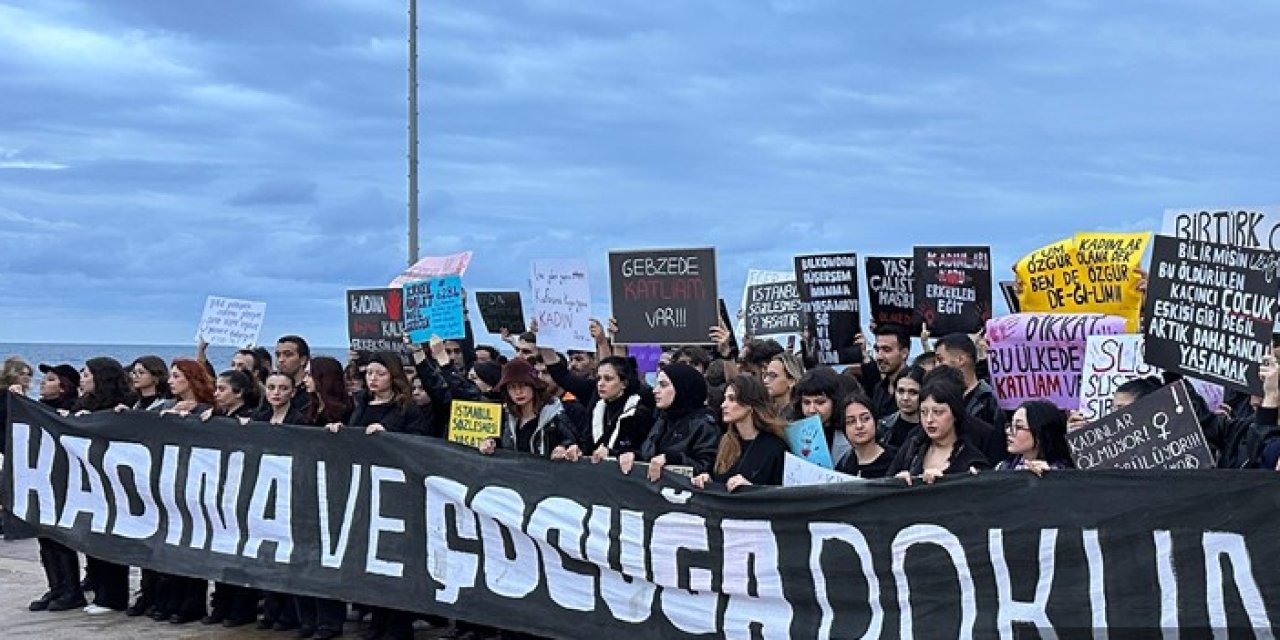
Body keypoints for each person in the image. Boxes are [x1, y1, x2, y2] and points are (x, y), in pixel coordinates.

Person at [327, 351, 430, 640]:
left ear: (393, 376)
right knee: (369, 558)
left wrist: (390, 436)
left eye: (380, 373)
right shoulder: (360, 402)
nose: (373, 379)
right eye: (369, 373)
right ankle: (377, 620)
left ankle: (398, 625)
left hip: (397, 493)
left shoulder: (407, 408)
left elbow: (421, 444)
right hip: (365, 489)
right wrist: (340, 431)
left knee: (396, 560)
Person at [71, 357, 136, 616]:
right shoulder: (84, 402)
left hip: (115, 484)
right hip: (91, 484)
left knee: (111, 539)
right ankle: (97, 585)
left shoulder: (123, 406)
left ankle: (113, 596)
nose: (82, 377)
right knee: (93, 537)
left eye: (86, 373)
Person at [16, 364, 82, 614]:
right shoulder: (41, 407)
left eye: (51, 379)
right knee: (45, 539)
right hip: (43, 479)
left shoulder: (71, 408)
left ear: (64, 385)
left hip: (65, 481)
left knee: (60, 539)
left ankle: (72, 590)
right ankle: (57, 586)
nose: (43, 383)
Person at [294, 357, 352, 640]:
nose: (304, 380)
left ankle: (330, 620)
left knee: (326, 558)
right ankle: (308, 618)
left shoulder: (344, 410)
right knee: (304, 556)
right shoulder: (306, 408)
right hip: (305, 489)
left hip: (332, 492)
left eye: (309, 375)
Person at [692, 374, 789, 491]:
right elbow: (722, 481)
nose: (723, 405)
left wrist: (751, 489)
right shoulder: (726, 441)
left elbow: (780, 496)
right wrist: (709, 481)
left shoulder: (775, 447)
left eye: (732, 399)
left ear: (750, 404)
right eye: (725, 399)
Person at [626, 363, 720, 481]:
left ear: (682, 387)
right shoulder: (663, 418)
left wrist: (673, 459)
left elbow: (706, 469)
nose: (655, 390)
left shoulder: (704, 424)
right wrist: (632, 455)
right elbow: (650, 455)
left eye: (663, 385)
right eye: (656, 385)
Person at [889, 378, 992, 485]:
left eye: (938, 412)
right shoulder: (912, 447)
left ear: (955, 414)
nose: (929, 419)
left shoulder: (973, 460)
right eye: (923, 412)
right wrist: (897, 483)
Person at [477, 358, 575, 458]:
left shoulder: (555, 415)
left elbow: (573, 442)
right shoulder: (506, 417)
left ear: (533, 386)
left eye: (523, 385)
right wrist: (491, 442)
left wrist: (563, 447)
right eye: (512, 387)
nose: (518, 392)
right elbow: (501, 441)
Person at [578, 356, 656, 464]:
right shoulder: (597, 408)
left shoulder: (639, 413)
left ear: (624, 383)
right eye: (598, 378)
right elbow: (586, 443)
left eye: (608, 379)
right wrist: (573, 447)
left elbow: (641, 452)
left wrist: (612, 453)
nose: (601, 383)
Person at [934, 333, 1006, 428]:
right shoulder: (938, 397)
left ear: (961, 360)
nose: (936, 366)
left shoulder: (991, 401)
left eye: (940, 359)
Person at [790, 367, 856, 464]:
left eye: (820, 403)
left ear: (835, 402)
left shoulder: (850, 434)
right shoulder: (792, 434)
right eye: (806, 402)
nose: (811, 410)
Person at [997, 400, 1074, 474]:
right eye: (1010, 425)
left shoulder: (1068, 473)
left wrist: (1051, 477)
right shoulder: (1002, 468)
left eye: (1019, 427)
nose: (1008, 431)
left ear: (1040, 434)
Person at [837, 391, 897, 479]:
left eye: (865, 419)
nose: (859, 426)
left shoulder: (896, 459)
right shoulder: (844, 464)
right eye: (851, 421)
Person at [878, 366, 925, 448]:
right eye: (901, 391)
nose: (905, 398)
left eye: (913, 392)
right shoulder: (883, 426)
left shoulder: (930, 429)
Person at [763, 353, 804, 419]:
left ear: (791, 381)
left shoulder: (799, 414)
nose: (765, 380)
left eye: (773, 375)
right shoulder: (768, 412)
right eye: (766, 375)